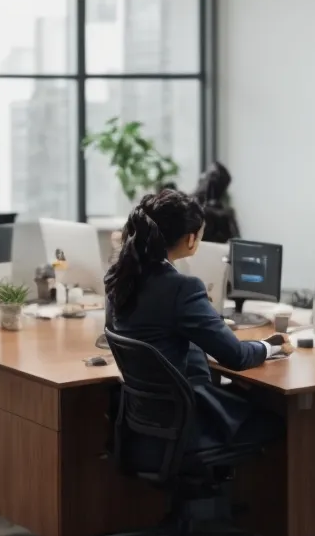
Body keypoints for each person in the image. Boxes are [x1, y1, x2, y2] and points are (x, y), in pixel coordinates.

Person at [105, 189, 286, 458]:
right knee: (280, 419)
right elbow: (235, 356)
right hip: (186, 426)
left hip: (145, 423)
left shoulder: (120, 278)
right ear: (191, 239)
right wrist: (273, 346)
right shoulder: (181, 288)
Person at [193, 162, 240, 244]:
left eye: (208, 175)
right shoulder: (188, 205)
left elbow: (237, 244)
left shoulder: (225, 215)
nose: (202, 177)